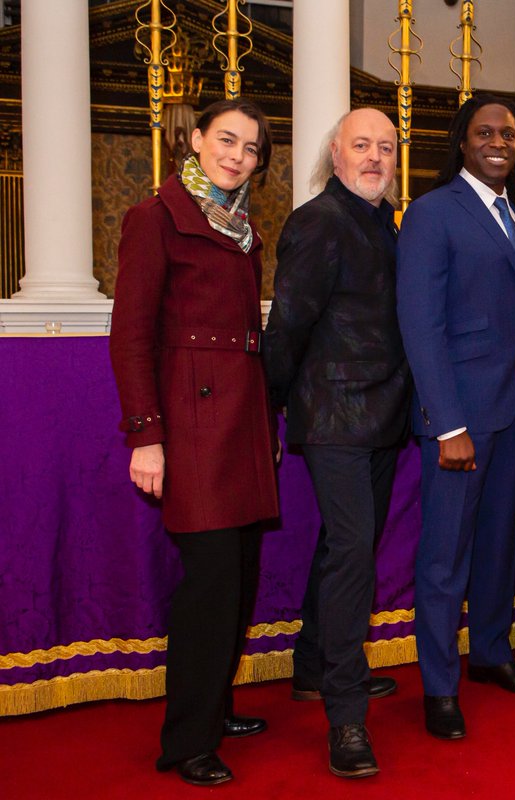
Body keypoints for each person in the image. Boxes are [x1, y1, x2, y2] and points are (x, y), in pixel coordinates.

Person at [110, 98, 278, 787]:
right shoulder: (156, 218)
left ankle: (213, 704)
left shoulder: (242, 229)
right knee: (209, 585)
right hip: (192, 424)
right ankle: (187, 740)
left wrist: (266, 424)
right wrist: (146, 437)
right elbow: (131, 336)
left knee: (238, 579)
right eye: (227, 140)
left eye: (251, 149)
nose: (237, 155)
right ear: (198, 139)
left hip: (241, 420)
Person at [263, 108, 412, 779]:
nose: (375, 157)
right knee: (353, 555)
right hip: (336, 419)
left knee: (343, 545)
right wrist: (269, 409)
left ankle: (313, 668)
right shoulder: (319, 222)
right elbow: (286, 328)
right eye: (362, 145)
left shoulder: (382, 222)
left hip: (382, 418)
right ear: (335, 151)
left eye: (386, 147)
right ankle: (346, 715)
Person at [397, 94, 515, 740]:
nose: (497, 142)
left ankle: (489, 653)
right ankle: (437, 686)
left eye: (508, 134)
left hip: (513, 416)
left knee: (497, 546)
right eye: (484, 132)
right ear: (461, 143)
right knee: (444, 555)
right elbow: (421, 325)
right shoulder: (431, 214)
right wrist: (446, 421)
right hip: (460, 420)